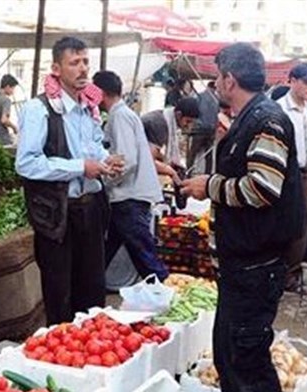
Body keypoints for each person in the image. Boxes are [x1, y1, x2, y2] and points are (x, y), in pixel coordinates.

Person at [181, 43, 304, 392]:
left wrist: (206, 186)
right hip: (240, 265)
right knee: (229, 355)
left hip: (257, 268)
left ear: (230, 79)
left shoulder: (267, 120)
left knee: (250, 363)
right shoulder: (251, 119)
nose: (215, 84)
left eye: (217, 77)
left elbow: (263, 189)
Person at [15, 36, 123, 325]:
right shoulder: (39, 110)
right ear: (56, 69)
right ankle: (62, 357)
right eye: (74, 63)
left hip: (91, 210)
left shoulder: (89, 107)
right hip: (57, 217)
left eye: (86, 61)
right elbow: (26, 163)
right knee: (60, 293)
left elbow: (93, 148)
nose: (83, 69)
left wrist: (105, 161)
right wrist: (79, 167)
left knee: (91, 291)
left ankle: (91, 355)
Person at [92, 70, 168, 282]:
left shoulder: (120, 116)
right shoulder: (122, 114)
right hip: (125, 198)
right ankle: (90, 291)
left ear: (100, 93)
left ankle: (163, 293)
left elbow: (127, 161)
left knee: (144, 256)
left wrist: (105, 180)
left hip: (129, 197)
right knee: (106, 250)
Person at [277, 62, 307, 289]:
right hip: (284, 174)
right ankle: (279, 271)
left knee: (301, 226)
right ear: (292, 81)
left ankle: (291, 273)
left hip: (304, 174)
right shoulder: (280, 109)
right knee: (283, 222)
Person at [141, 97, 200, 182]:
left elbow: (157, 153)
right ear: (179, 115)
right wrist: (171, 172)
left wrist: (172, 165)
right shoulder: (159, 124)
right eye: (188, 121)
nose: (189, 126)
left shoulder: (165, 118)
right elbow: (148, 161)